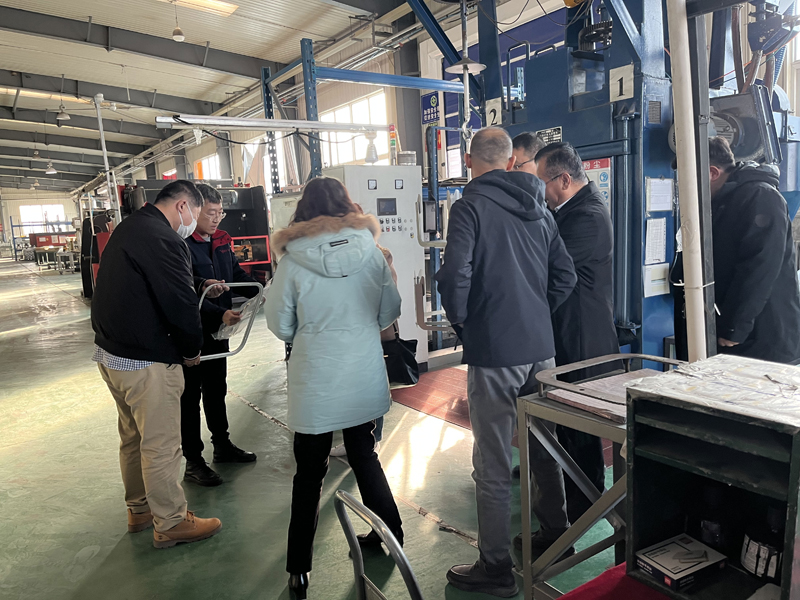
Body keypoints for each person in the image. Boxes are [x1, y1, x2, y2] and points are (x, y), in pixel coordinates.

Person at [435, 127, 577, 597]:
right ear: (511, 161)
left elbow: (455, 274)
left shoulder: (470, 207)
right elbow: (565, 276)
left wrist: (465, 324)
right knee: (543, 445)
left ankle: (495, 567)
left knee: (493, 461)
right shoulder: (540, 206)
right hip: (540, 350)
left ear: (468, 160)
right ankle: (557, 536)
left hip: (495, 351)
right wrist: (534, 313)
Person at [264, 177, 404, 600]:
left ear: (303, 210)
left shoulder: (291, 261)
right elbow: (389, 312)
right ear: (348, 206)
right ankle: (392, 536)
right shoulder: (371, 252)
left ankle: (298, 571)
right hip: (361, 371)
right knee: (364, 456)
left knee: (309, 473)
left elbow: (280, 325)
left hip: (316, 379)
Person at [91, 180, 224, 549]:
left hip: (112, 355)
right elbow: (179, 303)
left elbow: (152, 276)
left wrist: (200, 282)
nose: (194, 222)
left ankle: (139, 509)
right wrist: (192, 349)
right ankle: (172, 522)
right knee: (162, 444)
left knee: (133, 437)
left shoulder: (132, 227)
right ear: (182, 206)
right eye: (196, 213)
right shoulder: (165, 238)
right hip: (146, 361)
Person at [514, 142, 619, 554]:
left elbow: (548, 269)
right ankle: (568, 495)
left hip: (583, 337)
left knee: (581, 425)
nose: (540, 192)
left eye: (541, 183)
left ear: (563, 180)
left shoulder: (587, 216)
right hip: (568, 331)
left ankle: (581, 507)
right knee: (566, 419)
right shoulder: (570, 211)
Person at [674, 137, 800, 363]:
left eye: (686, 177)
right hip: (730, 335)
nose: (682, 186)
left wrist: (734, 326)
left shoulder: (760, 197)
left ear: (712, 173)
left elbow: (760, 267)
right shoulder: (719, 202)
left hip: (760, 340)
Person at [180, 184, 259, 487]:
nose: (216, 219)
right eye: (211, 213)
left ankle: (222, 445)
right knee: (190, 398)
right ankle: (193, 460)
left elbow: (235, 274)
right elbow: (185, 290)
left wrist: (260, 291)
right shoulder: (180, 244)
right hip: (190, 334)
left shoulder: (222, 241)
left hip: (218, 332)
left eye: (220, 213)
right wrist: (219, 312)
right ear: (194, 211)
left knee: (216, 390)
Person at [329, 246, 396, 458]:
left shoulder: (380, 256)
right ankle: (354, 441)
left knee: (372, 390)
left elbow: (389, 300)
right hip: (346, 337)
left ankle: (373, 439)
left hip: (369, 336)